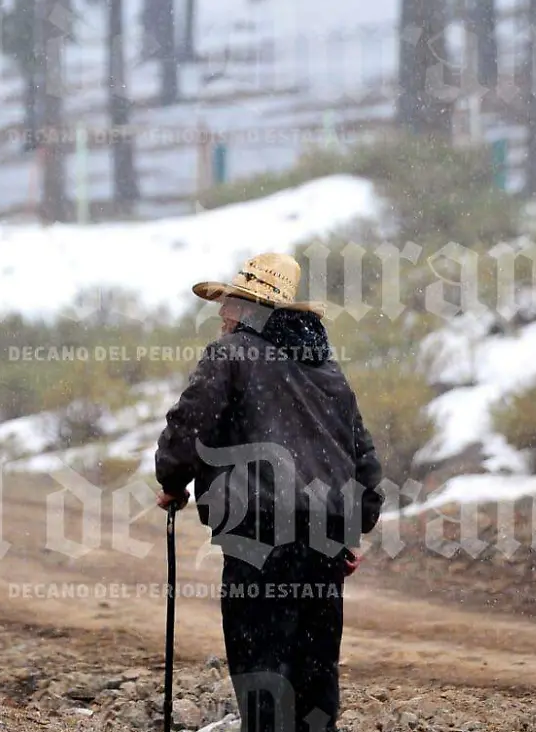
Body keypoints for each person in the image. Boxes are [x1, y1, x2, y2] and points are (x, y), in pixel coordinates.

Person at [155, 252, 384, 732]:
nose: (222, 315)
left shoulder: (231, 354)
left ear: (251, 310)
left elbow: (190, 423)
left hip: (257, 532)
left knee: (262, 663)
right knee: (315, 668)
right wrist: (355, 525)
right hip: (325, 536)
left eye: (230, 303)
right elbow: (361, 452)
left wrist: (172, 480)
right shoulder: (327, 369)